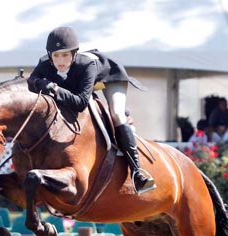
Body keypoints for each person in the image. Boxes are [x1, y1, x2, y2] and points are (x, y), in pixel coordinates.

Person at [28, 27, 155, 194]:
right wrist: (41, 84)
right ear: (50, 55)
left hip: (109, 78)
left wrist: (56, 89)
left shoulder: (87, 64)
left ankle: (138, 172)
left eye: (65, 55)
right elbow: (31, 81)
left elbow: (80, 102)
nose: (60, 60)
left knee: (116, 113)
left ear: (74, 54)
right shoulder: (45, 63)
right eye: (56, 55)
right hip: (76, 85)